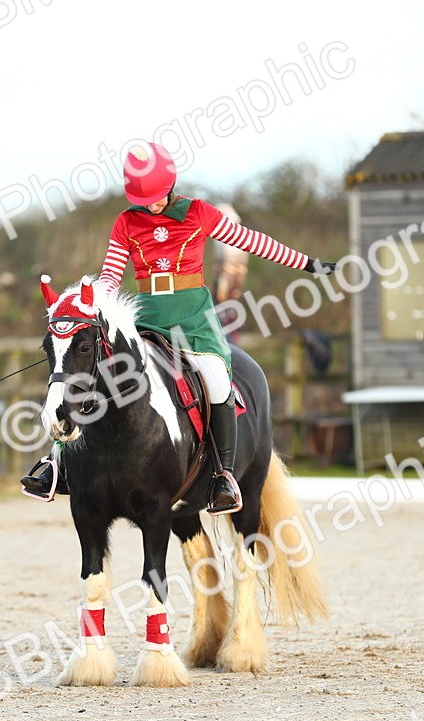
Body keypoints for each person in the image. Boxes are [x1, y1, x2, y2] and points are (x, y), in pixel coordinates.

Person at [22, 141, 336, 515]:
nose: (150, 205)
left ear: (170, 187)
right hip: (144, 316)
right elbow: (110, 274)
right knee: (92, 376)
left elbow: (254, 241)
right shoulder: (126, 221)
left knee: (217, 378)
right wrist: (86, 306)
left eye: (155, 198)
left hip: (192, 318)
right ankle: (55, 463)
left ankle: (223, 476)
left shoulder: (200, 214)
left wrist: (307, 263)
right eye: (143, 199)